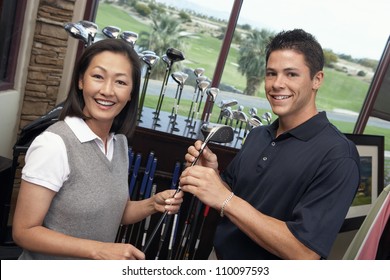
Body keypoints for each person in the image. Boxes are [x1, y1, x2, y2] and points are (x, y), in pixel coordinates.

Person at [180, 29, 360, 260]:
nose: (277, 84)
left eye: (291, 74)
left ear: (317, 79)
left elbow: (305, 253)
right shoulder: (258, 135)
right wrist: (211, 176)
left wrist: (226, 199)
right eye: (271, 73)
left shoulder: (338, 156)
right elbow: (229, 199)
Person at [12, 38, 183, 260]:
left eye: (120, 82)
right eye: (98, 77)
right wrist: (99, 249)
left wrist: (153, 204)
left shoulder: (118, 144)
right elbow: (24, 232)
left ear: (131, 93)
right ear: (81, 81)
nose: (107, 91)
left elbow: (113, 212)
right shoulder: (54, 144)